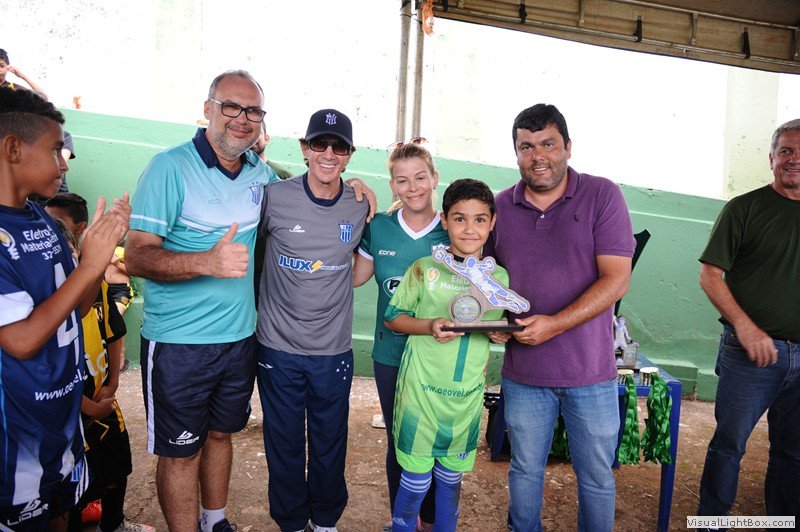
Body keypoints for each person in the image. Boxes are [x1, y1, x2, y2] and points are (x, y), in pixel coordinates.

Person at [484, 103, 635, 531]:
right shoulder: (499, 207)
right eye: (526, 147)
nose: (538, 156)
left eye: (548, 144)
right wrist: (494, 322)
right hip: (525, 375)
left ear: (568, 147)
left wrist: (554, 324)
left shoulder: (602, 195)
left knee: (596, 478)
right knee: (524, 470)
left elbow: (616, 280)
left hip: (591, 374)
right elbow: (484, 281)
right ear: (516, 153)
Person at [0, 86, 129, 530]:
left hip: (61, 429)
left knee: (63, 516)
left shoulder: (44, 222)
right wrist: (89, 265)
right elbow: (20, 340)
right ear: (12, 148)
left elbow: (78, 307)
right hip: (15, 438)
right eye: (55, 149)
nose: (64, 163)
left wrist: (95, 257)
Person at [256, 108, 369, 532]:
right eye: (320, 143)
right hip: (277, 348)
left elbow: (366, 260)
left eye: (339, 147)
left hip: (332, 351)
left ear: (349, 155)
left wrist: (365, 189)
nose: (328, 153)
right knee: (283, 441)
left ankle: (324, 520)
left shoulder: (360, 204)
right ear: (304, 148)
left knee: (329, 441)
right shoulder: (274, 196)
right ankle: (290, 521)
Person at [383, 178, 510, 532]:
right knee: (416, 479)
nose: (469, 229)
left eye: (479, 219)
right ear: (444, 220)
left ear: (492, 222)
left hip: (465, 399)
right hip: (420, 395)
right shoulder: (425, 269)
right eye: (459, 219)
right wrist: (429, 325)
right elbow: (393, 318)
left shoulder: (498, 277)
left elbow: (496, 327)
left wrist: (500, 333)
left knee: (451, 481)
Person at [696, 119, 800, 523]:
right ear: (772, 157)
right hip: (749, 354)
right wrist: (744, 325)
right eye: (786, 150)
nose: (794, 159)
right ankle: (711, 524)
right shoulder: (744, 209)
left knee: (792, 453)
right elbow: (710, 274)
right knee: (729, 445)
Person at [353, 142, 448, 530]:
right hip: (390, 355)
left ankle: (431, 520)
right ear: (392, 185)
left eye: (420, 178)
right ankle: (403, 520)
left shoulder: (453, 229)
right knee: (400, 442)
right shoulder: (379, 228)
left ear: (434, 179)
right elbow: (354, 277)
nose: (413, 188)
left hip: (439, 357)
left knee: (437, 442)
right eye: (403, 180)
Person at [46, 218, 153, 532]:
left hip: (102, 400)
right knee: (74, 483)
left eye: (70, 251)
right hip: (70, 411)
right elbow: (47, 373)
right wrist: (89, 407)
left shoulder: (98, 287)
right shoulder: (45, 306)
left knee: (117, 465)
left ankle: (114, 523)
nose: (68, 260)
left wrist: (113, 384)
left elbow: (114, 333)